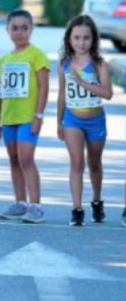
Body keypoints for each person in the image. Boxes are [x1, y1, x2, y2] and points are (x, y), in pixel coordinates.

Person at [0, 9, 50, 224]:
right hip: (9, 118)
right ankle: (20, 202)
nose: (20, 32)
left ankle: (36, 206)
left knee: (26, 158)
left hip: (28, 117)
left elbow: (44, 86)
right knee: (14, 159)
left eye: (24, 28)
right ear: (7, 30)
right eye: (15, 28)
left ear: (31, 30)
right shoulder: (4, 59)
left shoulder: (37, 55)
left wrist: (38, 115)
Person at [56, 15, 112, 226]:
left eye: (86, 38)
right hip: (73, 120)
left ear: (93, 40)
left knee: (94, 163)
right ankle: (76, 209)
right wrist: (59, 121)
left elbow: (107, 93)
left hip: (95, 120)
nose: (81, 43)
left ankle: (96, 200)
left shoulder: (99, 65)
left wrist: (82, 81)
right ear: (69, 39)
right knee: (76, 163)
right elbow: (62, 94)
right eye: (77, 38)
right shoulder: (65, 64)